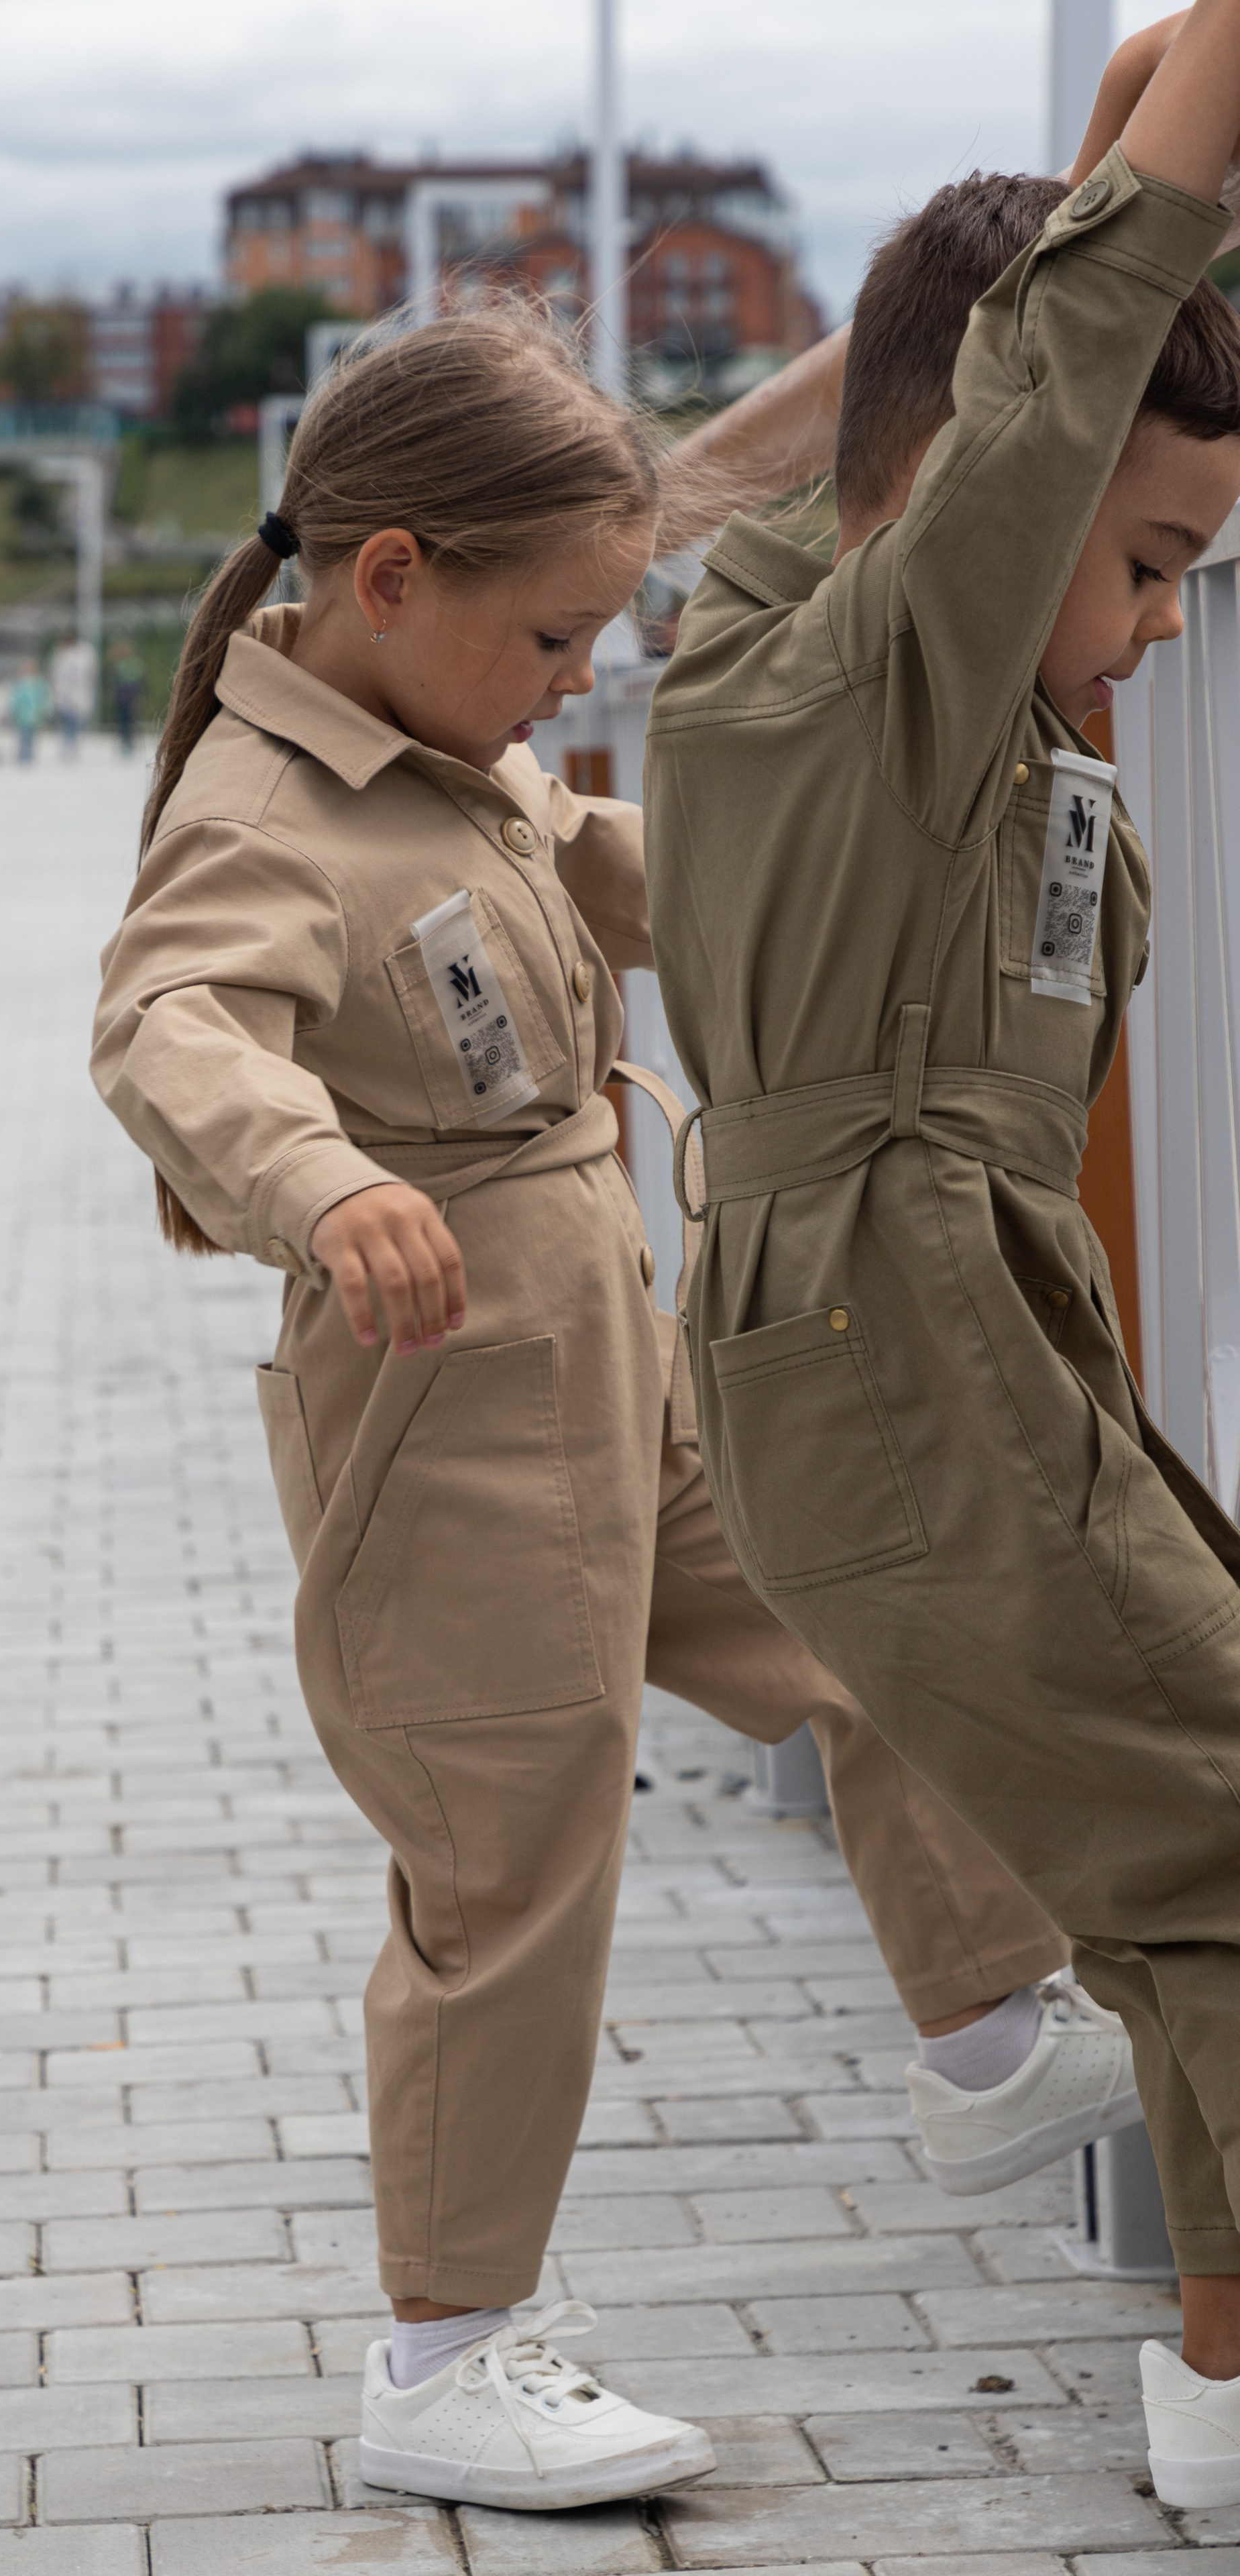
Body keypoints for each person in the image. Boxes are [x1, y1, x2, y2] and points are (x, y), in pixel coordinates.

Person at [91, 307, 1130, 2512]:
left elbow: (600, 870)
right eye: (559, 633)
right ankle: (450, 2355)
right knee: (514, 1878)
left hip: (619, 1378)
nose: (583, 673)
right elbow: (174, 1026)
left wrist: (831, 904)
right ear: (391, 578)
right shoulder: (269, 802)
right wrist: (329, 1179)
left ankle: (991, 2027)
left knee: (882, 1626)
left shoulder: (458, 752)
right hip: (446, 1435)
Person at [644, 1, 1240, 2508]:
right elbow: (1055, 339)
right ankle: (1206, 2382)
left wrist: (1106, 132)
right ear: (993, 504)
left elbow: (1016, 321)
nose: (1165, 626)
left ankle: (1207, 2377)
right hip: (894, 1362)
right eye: (1143, 563)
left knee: (1184, 1848)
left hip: (950, 1346)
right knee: (1216, 1833)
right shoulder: (846, 674)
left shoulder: (901, 676)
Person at [50, 634, 96, 759]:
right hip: (64, 696)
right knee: (65, 722)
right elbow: (56, 675)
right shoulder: (60, 654)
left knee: (74, 722)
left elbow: (86, 673)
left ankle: (73, 747)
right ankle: (66, 747)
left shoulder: (83, 653)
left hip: (77, 695)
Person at [108, 636, 147, 755]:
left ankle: (129, 744)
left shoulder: (135, 664)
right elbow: (116, 683)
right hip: (123, 699)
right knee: (123, 722)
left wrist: (141, 697)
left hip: (131, 698)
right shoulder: (120, 664)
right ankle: (125, 744)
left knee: (130, 722)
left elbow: (141, 682)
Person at [11, 660, 50, 763]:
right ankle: (23, 756)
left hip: (34, 716)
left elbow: (44, 699)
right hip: (23, 716)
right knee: (23, 736)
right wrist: (13, 711)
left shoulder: (39, 684)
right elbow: (15, 700)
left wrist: (45, 711)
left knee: (31, 737)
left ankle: (29, 756)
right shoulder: (19, 684)